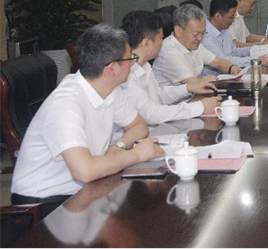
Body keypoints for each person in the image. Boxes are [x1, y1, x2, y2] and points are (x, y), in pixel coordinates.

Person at [10, 25, 165, 216]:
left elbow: (138, 126)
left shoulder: (108, 88)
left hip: (85, 188)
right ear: (112, 68)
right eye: (130, 58)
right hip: (44, 204)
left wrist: (118, 147)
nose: (133, 64)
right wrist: (136, 155)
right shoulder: (66, 103)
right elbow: (84, 171)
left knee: (148, 202)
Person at [119, 10, 221, 124]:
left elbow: (158, 96)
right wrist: (200, 107)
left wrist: (188, 88)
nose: (162, 42)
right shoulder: (126, 74)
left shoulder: (144, 65)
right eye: (161, 38)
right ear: (146, 43)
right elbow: (152, 114)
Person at [153, 4, 241, 86]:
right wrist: (208, 80)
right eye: (196, 34)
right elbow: (192, 84)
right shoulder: (169, 52)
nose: (200, 38)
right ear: (178, 30)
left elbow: (218, 62)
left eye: (203, 33)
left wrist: (231, 67)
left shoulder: (194, 44)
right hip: (180, 97)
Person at [202, 0, 266, 77]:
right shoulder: (204, 35)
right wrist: (256, 60)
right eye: (231, 17)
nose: (233, 21)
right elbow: (223, 60)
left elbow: (234, 51)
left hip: (228, 75)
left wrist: (261, 49)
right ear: (218, 16)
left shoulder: (225, 32)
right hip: (212, 79)